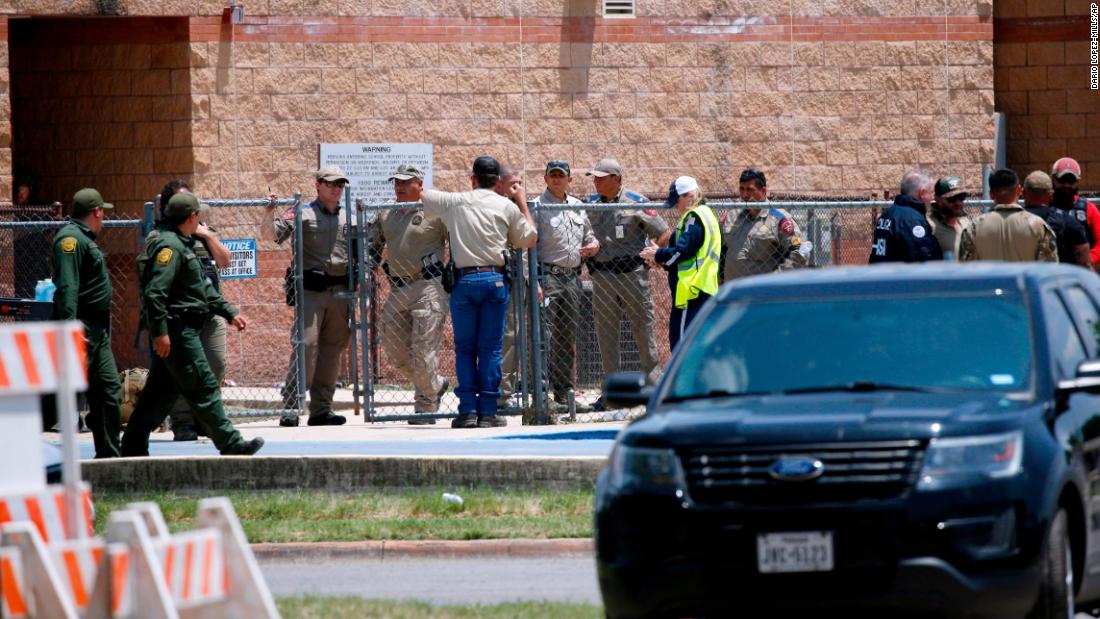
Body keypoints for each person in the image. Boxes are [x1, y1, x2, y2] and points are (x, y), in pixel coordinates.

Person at [120, 193, 263, 456]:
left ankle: (131, 445)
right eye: (198, 214)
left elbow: (202, 289)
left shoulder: (183, 244)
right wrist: (161, 333)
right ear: (192, 217)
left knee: (158, 395)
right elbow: (155, 293)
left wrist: (229, 313)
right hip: (178, 330)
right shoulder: (170, 248)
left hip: (184, 328)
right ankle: (231, 443)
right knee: (204, 384)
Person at [420, 155, 537, 428]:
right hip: (495, 281)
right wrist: (521, 200)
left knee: (464, 349)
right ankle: (487, 412)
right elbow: (530, 238)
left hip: (465, 282)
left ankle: (468, 411)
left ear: (472, 179)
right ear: (497, 181)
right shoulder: (504, 206)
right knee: (491, 349)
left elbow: (421, 193)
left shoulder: (456, 201)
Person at [139, 179, 233, 441]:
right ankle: (183, 422)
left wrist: (206, 235)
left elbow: (225, 261)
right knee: (182, 371)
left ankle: (205, 419)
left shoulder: (204, 232)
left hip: (209, 311)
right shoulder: (161, 238)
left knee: (214, 365)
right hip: (180, 316)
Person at [262, 165, 353, 427]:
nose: (336, 189)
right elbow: (272, 234)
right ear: (318, 185)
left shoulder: (350, 218)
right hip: (311, 292)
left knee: (332, 351)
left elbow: (361, 252)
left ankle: (321, 410)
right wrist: (269, 211)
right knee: (306, 346)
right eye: (331, 183)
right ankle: (291, 407)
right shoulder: (302, 213)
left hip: (340, 293)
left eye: (340, 185)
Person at [585, 158, 669, 409]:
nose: (596, 182)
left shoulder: (636, 202)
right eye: (594, 177)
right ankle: (612, 394)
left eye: (601, 177)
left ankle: (653, 390)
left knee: (643, 329)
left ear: (617, 179)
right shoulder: (591, 204)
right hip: (602, 275)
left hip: (632, 273)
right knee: (606, 333)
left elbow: (663, 232)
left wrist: (656, 253)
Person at [370, 164, 450, 425]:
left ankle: (425, 407)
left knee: (423, 349)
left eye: (405, 182)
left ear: (419, 183)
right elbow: (372, 246)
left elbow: (459, 241)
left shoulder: (435, 210)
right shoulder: (387, 212)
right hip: (399, 287)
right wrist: (364, 271)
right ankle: (435, 384)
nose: (399, 186)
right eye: (396, 182)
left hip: (429, 286)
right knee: (395, 350)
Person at [50, 188, 123, 458]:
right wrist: (70, 330)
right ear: (96, 212)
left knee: (109, 390)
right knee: (56, 396)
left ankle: (109, 456)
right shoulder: (70, 240)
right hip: (81, 328)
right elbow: (68, 287)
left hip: (96, 331)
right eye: (103, 211)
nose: (104, 217)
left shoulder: (83, 238)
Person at [533, 160, 599, 416]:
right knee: (544, 337)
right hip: (547, 277)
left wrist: (593, 247)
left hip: (573, 278)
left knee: (566, 337)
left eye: (562, 176)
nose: (557, 180)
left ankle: (564, 394)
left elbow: (590, 237)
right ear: (546, 179)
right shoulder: (538, 207)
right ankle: (541, 394)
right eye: (553, 176)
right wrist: (535, 281)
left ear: (570, 180)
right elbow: (529, 247)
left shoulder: (578, 207)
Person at [641, 176, 720, 351]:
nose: (676, 206)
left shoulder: (695, 217)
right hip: (700, 291)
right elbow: (689, 256)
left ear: (689, 195)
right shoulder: (705, 214)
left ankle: (684, 380)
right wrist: (662, 261)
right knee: (694, 348)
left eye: (677, 201)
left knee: (682, 349)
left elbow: (683, 251)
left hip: (692, 292)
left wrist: (658, 254)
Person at [722, 168, 807, 282]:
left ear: (763, 191)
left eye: (750, 190)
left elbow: (800, 252)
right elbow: (725, 248)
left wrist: (776, 279)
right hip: (732, 290)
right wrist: (721, 274)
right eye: (741, 189)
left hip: (761, 293)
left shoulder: (778, 219)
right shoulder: (733, 215)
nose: (745, 194)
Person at [958, 168, 1058, 263]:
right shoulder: (1039, 227)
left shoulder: (974, 228)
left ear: (991, 194)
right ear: (1019, 190)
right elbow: (1050, 269)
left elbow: (965, 270)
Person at [495, 165, 528, 410]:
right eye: (513, 183)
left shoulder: (518, 206)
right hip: (495, 277)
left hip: (517, 278)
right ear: (499, 183)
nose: (518, 188)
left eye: (520, 183)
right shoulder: (495, 206)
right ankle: (490, 390)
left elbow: (530, 238)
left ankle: (503, 393)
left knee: (511, 337)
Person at [868, 171, 943, 263]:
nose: (932, 198)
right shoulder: (913, 220)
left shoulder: (887, 215)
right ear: (922, 193)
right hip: (902, 276)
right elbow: (922, 257)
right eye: (931, 193)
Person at [1023, 170, 1091, 269]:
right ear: (1051, 194)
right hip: (1060, 281)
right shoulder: (1071, 223)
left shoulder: (1011, 222)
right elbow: (1085, 263)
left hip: (1021, 282)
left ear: (1023, 193)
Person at [1051, 157, 1100, 267]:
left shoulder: (1088, 209)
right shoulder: (1045, 205)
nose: (1067, 185)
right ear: (1053, 179)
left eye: (1071, 181)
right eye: (1062, 180)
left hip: (1081, 272)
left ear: (1078, 182)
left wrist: (1088, 260)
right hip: (1051, 271)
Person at [928, 176, 972, 259]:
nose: (958, 203)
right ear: (938, 200)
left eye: (961, 197)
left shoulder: (965, 222)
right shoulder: (930, 226)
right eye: (952, 199)